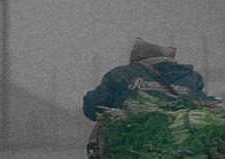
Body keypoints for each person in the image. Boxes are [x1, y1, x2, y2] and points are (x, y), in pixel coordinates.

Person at [83, 38, 211, 121]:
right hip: (182, 146)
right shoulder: (190, 77)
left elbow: (93, 106)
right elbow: (203, 104)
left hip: (130, 143)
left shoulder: (120, 74)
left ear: (136, 59)